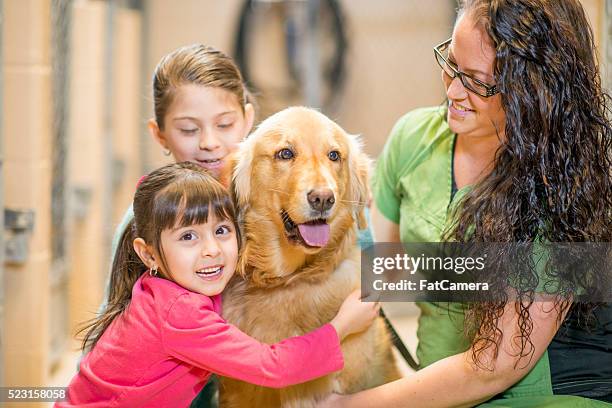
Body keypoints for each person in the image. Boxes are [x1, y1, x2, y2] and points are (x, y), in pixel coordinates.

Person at [322, 0, 611, 407]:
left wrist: (347, 405)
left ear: (531, 92)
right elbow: (374, 269)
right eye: (451, 62)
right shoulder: (415, 138)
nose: (452, 90)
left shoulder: (561, 187)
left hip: (549, 393)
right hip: (434, 392)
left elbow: (495, 364)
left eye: (476, 80)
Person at [60, 162, 380, 407]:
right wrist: (341, 326)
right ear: (149, 254)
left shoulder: (165, 287)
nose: (211, 249)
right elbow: (274, 366)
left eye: (222, 231)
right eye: (188, 236)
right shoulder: (179, 313)